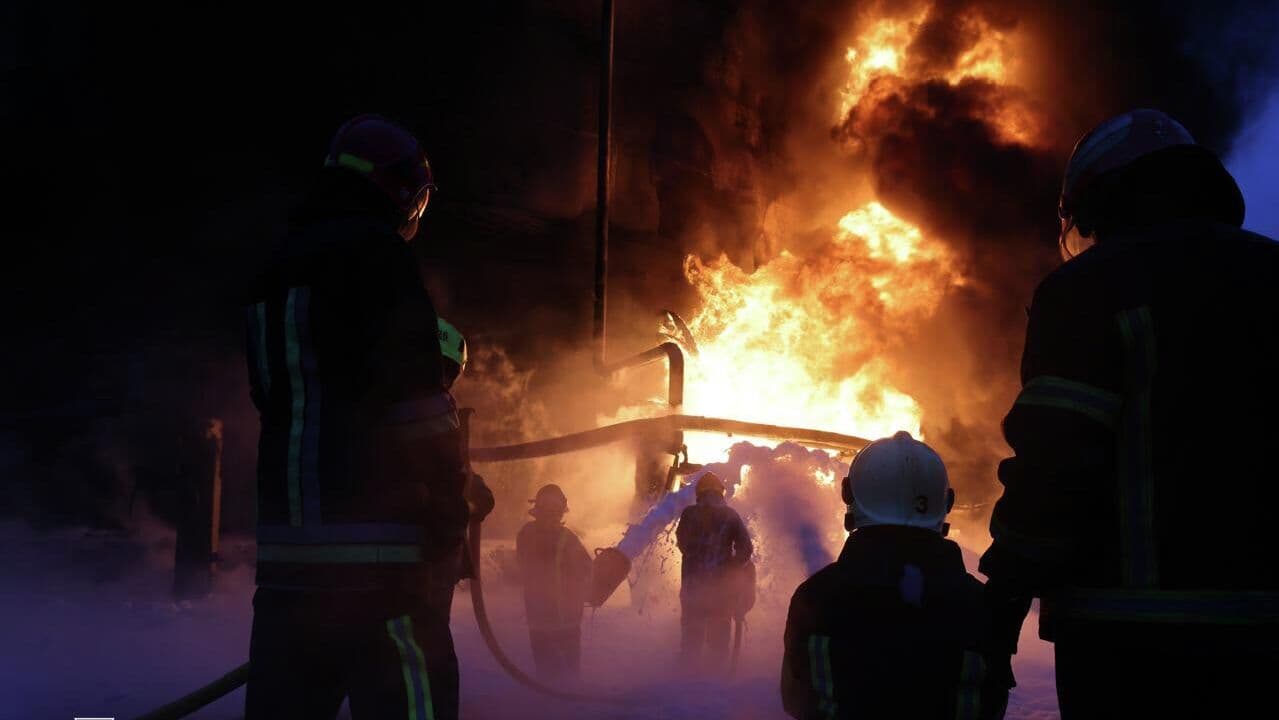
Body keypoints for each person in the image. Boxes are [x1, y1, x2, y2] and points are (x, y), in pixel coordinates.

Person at [980, 108, 1279, 718]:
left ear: (1094, 201)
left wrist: (1005, 595)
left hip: (1129, 636)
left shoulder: (1090, 288)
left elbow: (1056, 461)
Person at [243, 114, 476, 720]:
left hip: (290, 570)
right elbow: (414, 407)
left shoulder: (275, 267)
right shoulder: (378, 257)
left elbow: (301, 395)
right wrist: (451, 509)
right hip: (384, 572)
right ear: (399, 189)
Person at [781, 431, 1002, 719]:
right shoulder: (981, 604)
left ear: (851, 496)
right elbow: (993, 704)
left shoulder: (816, 597)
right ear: (945, 503)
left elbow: (794, 699)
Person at [675, 470, 753, 674]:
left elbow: (682, 543)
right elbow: (746, 548)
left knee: (691, 641)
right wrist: (733, 568)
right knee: (718, 643)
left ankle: (685, 683)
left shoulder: (689, 514)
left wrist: (696, 560)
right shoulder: (730, 515)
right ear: (721, 493)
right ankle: (715, 684)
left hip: (693, 588)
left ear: (699, 493)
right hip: (722, 592)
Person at [515, 483, 592, 680]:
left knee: (563, 675)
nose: (550, 517)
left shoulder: (531, 535)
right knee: (552, 674)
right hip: (547, 621)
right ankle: (554, 705)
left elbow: (587, 571)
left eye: (553, 512)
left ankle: (561, 704)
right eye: (547, 512)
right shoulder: (530, 535)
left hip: (563, 622)